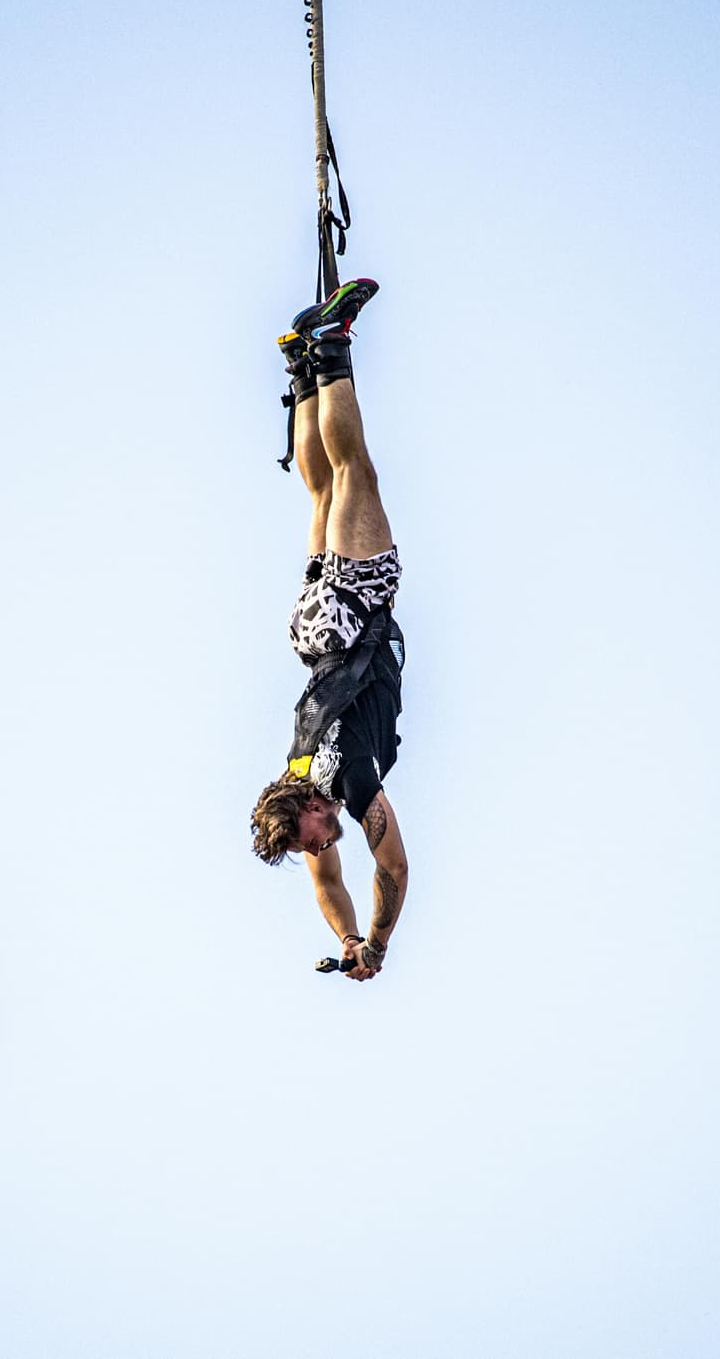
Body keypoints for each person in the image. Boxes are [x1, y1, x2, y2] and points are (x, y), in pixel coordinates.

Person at [249, 277, 410, 983]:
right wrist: (346, 939)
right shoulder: (298, 776)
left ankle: (331, 348)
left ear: (308, 811)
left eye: (309, 838)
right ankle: (303, 368)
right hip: (313, 631)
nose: (318, 847)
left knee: (354, 477)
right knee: (321, 491)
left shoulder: (344, 782)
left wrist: (376, 943)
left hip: (350, 614)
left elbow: (393, 871)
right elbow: (327, 886)